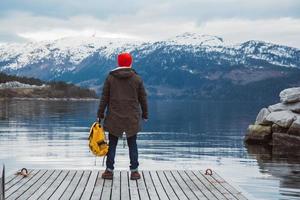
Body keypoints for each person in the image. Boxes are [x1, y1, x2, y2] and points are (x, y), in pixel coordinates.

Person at [97, 52, 148, 180]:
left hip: (114, 117)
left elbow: (104, 98)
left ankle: (109, 171)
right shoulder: (137, 79)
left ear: (118, 63)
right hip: (132, 118)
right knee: (132, 144)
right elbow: (143, 99)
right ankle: (134, 172)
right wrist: (145, 114)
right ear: (130, 63)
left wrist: (100, 114)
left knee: (112, 144)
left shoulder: (110, 78)